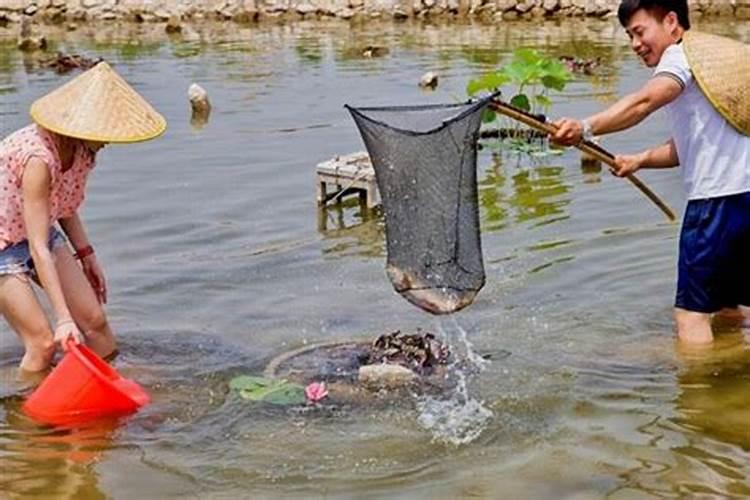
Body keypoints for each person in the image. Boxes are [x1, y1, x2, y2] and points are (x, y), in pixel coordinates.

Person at [550, 0, 750, 346]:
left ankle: (700, 393)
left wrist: (585, 126)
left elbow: (645, 102)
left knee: (691, 316)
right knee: (731, 308)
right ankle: (736, 382)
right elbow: (690, 146)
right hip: (744, 201)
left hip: (715, 205)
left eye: (640, 32)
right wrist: (640, 159)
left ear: (671, 21)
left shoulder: (678, 58)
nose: (634, 45)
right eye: (629, 35)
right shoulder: (707, 63)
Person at [0, 61, 166, 372]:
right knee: (43, 343)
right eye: (104, 132)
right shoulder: (38, 159)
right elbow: (38, 248)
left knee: (95, 322)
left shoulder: (83, 152)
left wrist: (86, 253)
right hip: (4, 243)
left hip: (39, 232)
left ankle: (106, 400)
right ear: (81, 126)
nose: (108, 140)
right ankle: (25, 419)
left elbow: (64, 204)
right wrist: (63, 318)